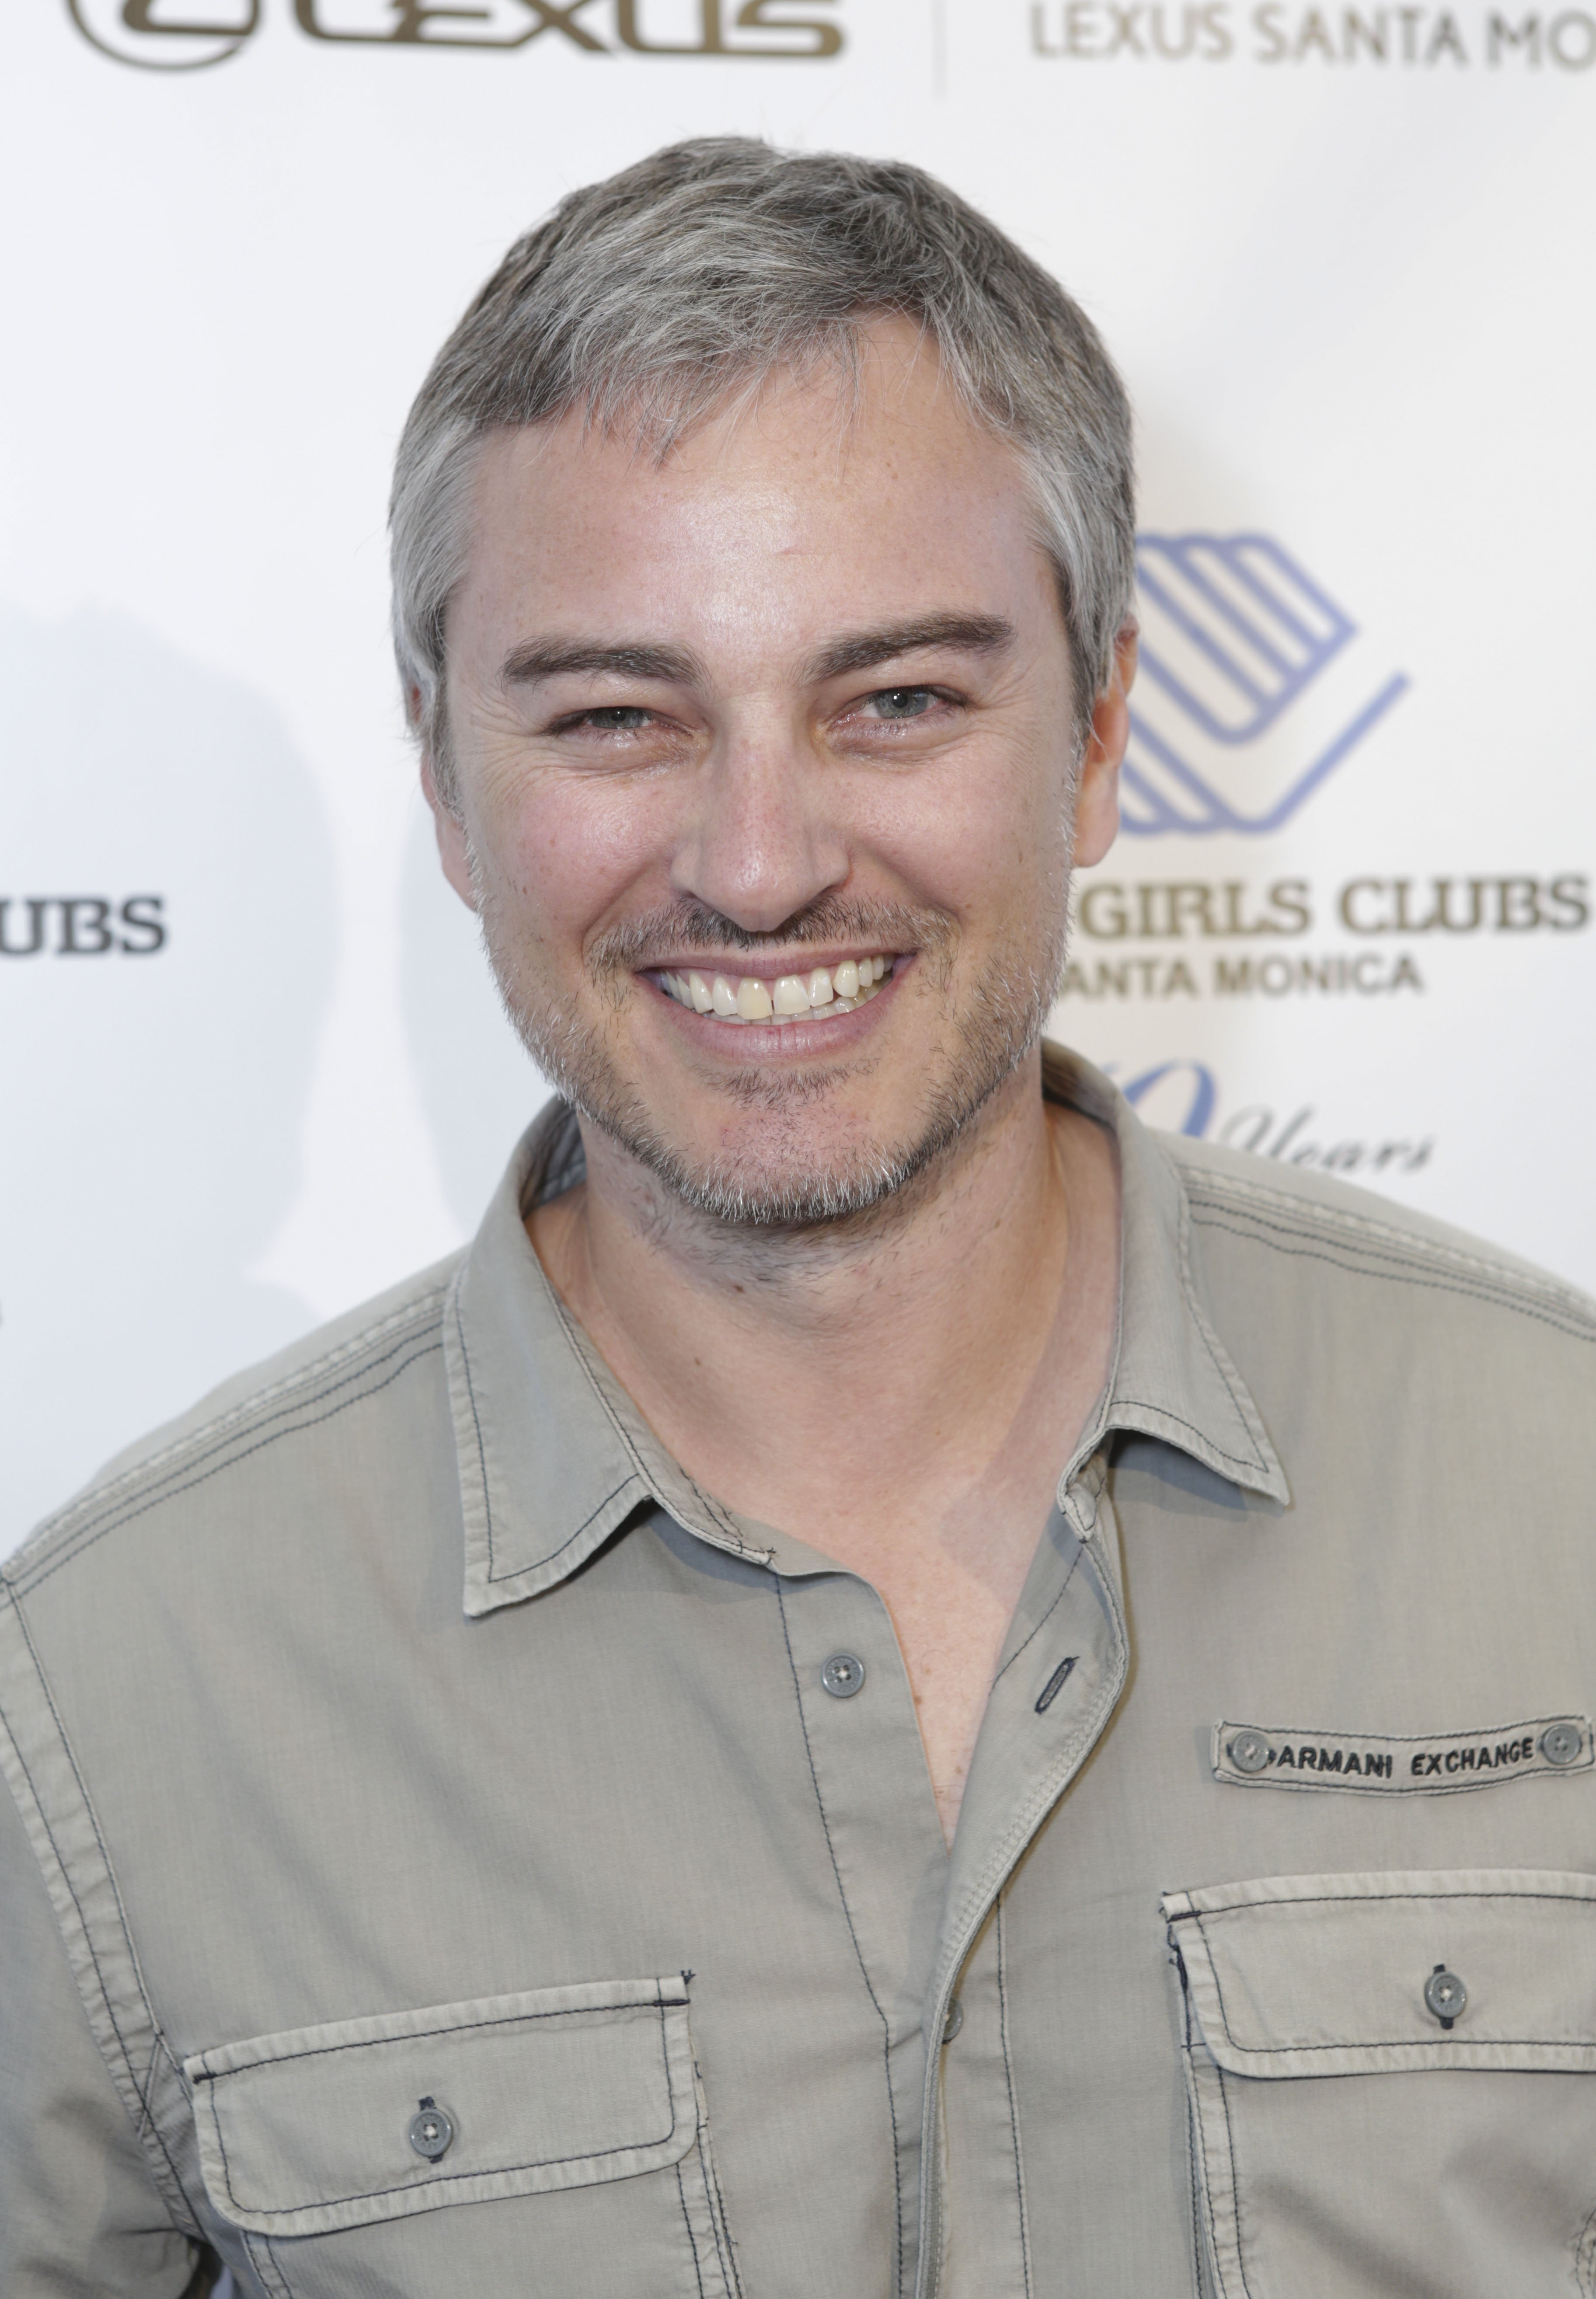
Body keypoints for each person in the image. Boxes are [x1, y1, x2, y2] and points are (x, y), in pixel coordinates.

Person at [3, 139, 1594, 2299]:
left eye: (899, 701)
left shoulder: (1559, 1489)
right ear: (446, 778)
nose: (758, 863)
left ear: (1107, 727)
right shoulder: (107, 1692)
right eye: (617, 717)